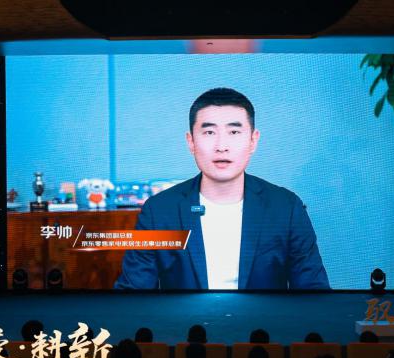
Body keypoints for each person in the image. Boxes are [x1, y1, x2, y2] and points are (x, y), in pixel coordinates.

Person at [115, 88, 330, 290]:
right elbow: (132, 296)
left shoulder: (286, 208)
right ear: (191, 142)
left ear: (253, 141)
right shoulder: (159, 211)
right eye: (209, 132)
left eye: (234, 132)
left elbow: (314, 294)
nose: (221, 146)